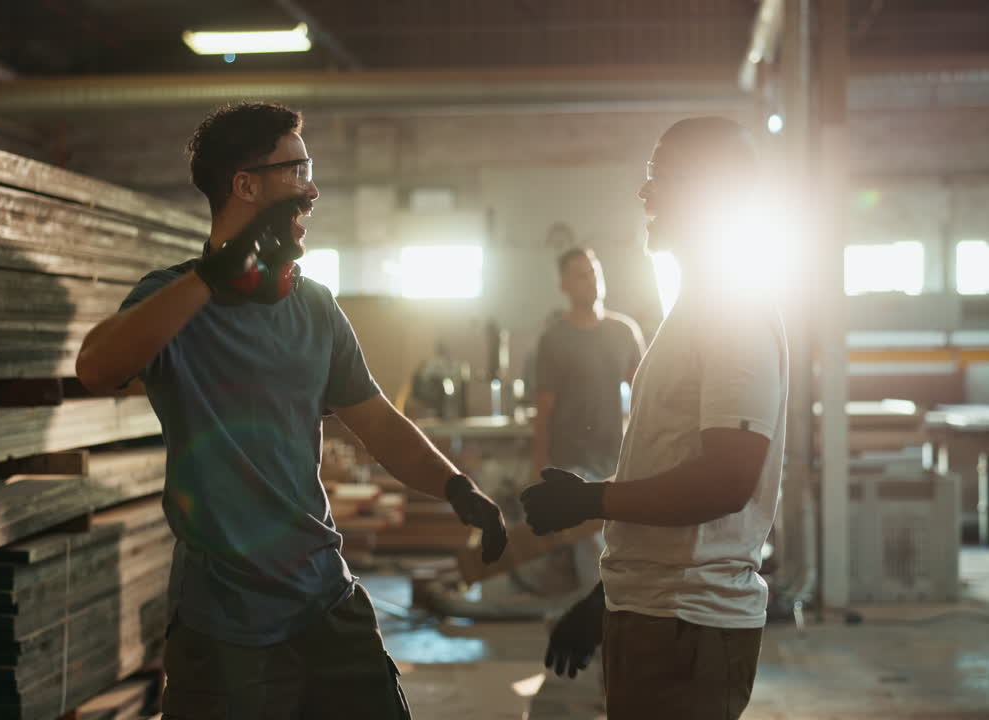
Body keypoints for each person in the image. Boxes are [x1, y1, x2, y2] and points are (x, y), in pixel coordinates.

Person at [75, 101, 507, 719]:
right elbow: (95, 368)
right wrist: (213, 274)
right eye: (297, 169)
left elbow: (378, 422)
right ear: (245, 185)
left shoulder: (314, 307)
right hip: (225, 620)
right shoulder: (170, 304)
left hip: (325, 600)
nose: (313, 188)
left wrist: (457, 487)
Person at [520, 116, 789, 720]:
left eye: (660, 177)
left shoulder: (734, 308)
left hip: (689, 624)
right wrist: (604, 599)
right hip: (656, 611)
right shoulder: (695, 307)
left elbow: (726, 479)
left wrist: (594, 501)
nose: (645, 193)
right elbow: (671, 460)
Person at [520, 247, 643, 596]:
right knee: (591, 553)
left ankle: (604, 620)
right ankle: (599, 626)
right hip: (570, 463)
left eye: (594, 271)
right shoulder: (554, 339)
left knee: (616, 549)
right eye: (581, 274)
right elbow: (544, 411)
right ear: (563, 284)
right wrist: (539, 470)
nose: (591, 280)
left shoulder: (624, 332)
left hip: (615, 460)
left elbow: (645, 397)